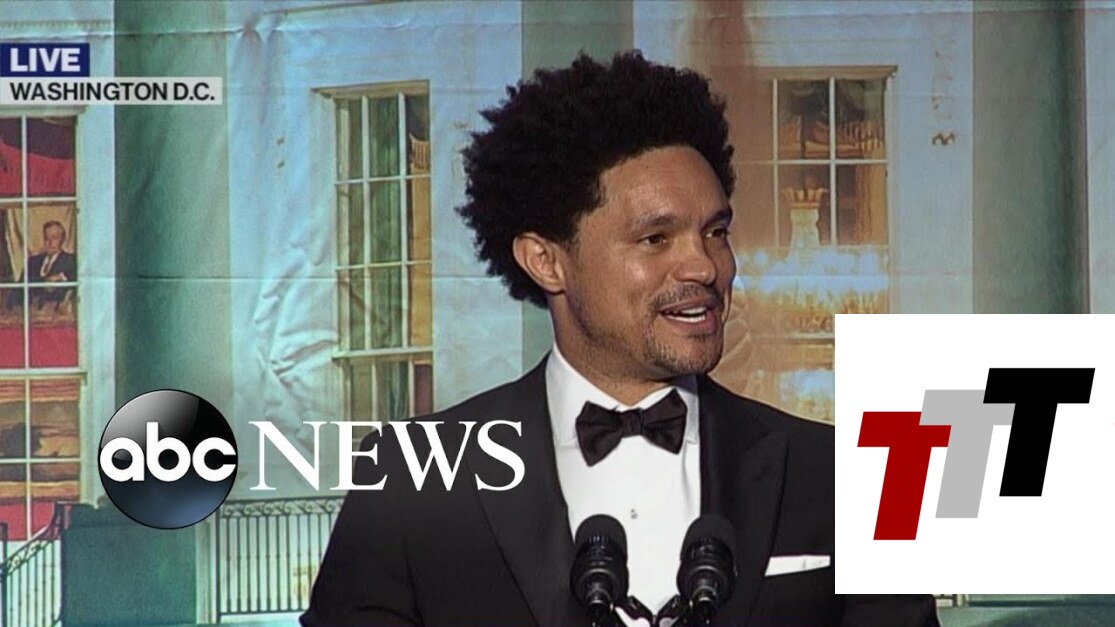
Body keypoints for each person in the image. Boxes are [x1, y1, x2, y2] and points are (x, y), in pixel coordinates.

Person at [303, 52, 938, 626]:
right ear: (547, 262)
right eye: (656, 239)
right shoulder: (410, 479)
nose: (704, 267)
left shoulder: (846, 476)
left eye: (715, 232)